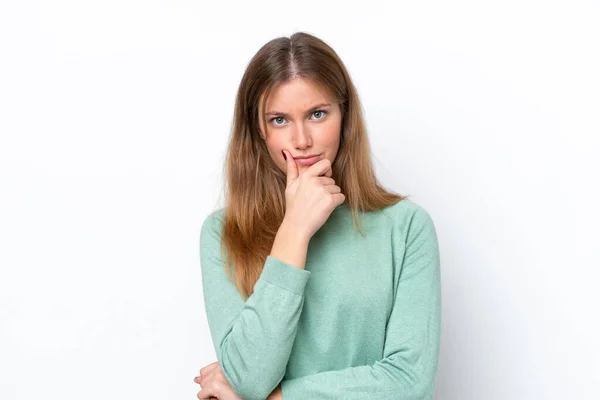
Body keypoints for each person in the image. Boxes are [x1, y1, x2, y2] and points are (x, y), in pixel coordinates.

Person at [194, 31, 441, 400]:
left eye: (317, 114)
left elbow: (409, 382)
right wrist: (294, 229)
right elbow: (249, 377)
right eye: (279, 120)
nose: (301, 139)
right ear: (259, 130)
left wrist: (277, 399)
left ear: (345, 117)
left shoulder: (405, 228)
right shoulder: (222, 233)